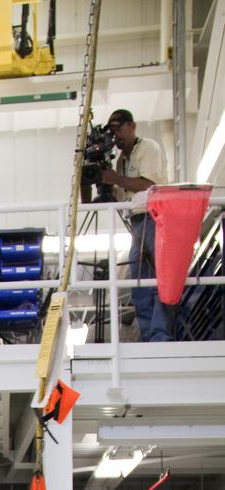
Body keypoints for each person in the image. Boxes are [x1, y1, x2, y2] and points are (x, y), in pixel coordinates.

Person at [100, 110, 172, 342]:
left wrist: (114, 179)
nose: (116, 136)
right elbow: (113, 198)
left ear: (132, 126)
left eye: (118, 129)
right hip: (136, 222)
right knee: (139, 282)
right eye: (112, 132)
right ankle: (149, 335)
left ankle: (160, 336)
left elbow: (148, 184)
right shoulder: (120, 161)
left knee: (157, 280)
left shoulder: (148, 148)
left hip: (155, 217)